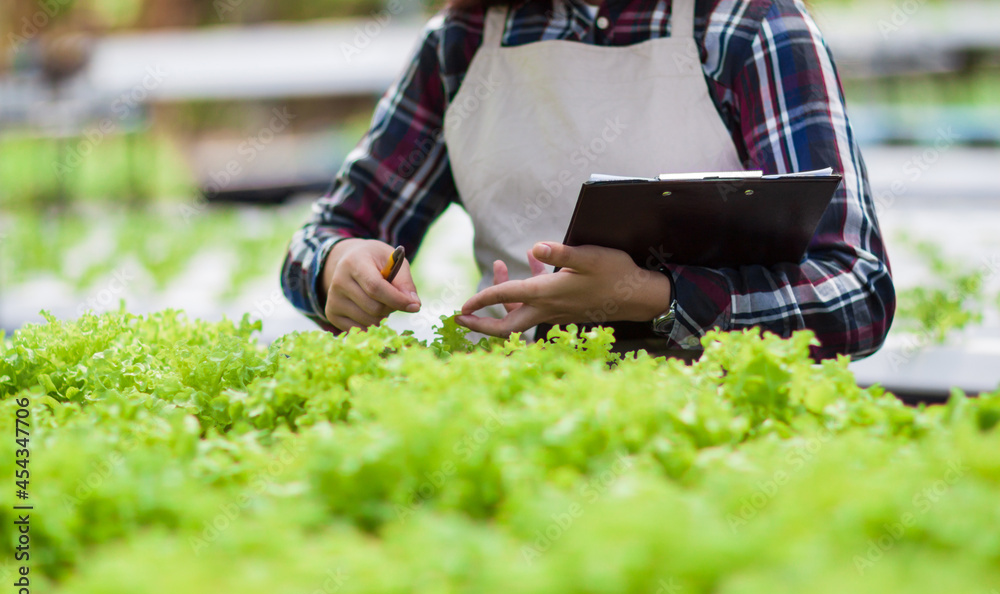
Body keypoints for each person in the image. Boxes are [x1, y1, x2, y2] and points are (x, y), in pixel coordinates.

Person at [281, 0, 895, 360]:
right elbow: (331, 233)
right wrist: (340, 264)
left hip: (717, 449)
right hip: (514, 424)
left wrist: (654, 297)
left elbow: (857, 293)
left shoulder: (749, 26)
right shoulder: (462, 41)